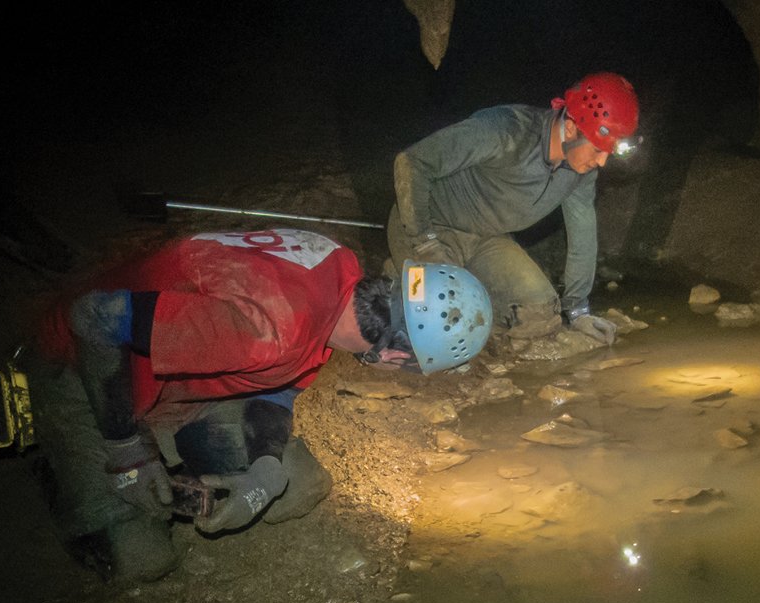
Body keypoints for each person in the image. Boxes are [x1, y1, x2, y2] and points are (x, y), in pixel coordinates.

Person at [33, 227, 493, 583]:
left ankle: (163, 446)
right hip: (83, 369)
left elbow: (282, 384)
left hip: (182, 371)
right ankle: (56, 463)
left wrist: (265, 468)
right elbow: (93, 318)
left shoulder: (341, 274)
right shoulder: (273, 335)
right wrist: (126, 450)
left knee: (296, 484)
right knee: (142, 558)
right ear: (394, 354)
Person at [388, 72, 640, 348]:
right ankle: (398, 280)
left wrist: (578, 310)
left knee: (540, 315)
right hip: (428, 231)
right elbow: (411, 162)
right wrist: (424, 241)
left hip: (487, 241)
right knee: (444, 329)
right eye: (597, 150)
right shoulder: (506, 129)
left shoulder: (580, 171)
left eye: (609, 153)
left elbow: (583, 234)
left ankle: (479, 317)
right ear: (570, 128)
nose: (602, 162)